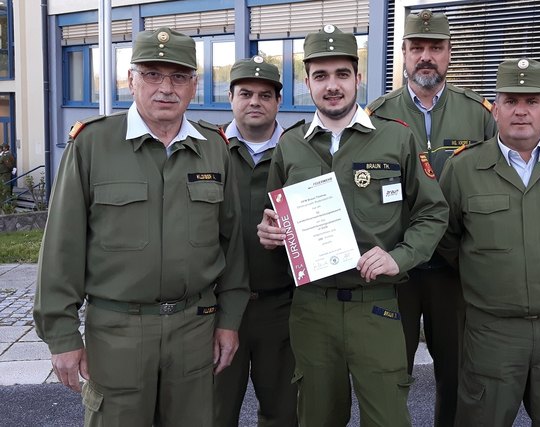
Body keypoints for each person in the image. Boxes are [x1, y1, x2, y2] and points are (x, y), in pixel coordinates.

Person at [33, 27, 250, 426]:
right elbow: (61, 248)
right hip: (117, 333)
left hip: (194, 328)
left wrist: (230, 321)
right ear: (130, 79)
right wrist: (62, 335)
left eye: (179, 76)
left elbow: (232, 245)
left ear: (194, 85)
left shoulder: (214, 148)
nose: (166, 88)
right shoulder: (93, 145)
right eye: (152, 74)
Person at [257, 24, 449, 427]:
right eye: (321, 76)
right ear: (306, 82)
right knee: (317, 417)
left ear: (358, 78)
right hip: (312, 310)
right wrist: (270, 234)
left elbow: (433, 212)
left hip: (375, 307)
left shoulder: (396, 139)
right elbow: (274, 216)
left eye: (342, 74)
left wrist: (400, 257)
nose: (332, 86)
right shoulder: (291, 146)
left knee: (388, 419)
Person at [438, 58, 540, 426]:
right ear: (496, 109)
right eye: (511, 101)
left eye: (531, 101)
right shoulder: (463, 168)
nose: (521, 111)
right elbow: (448, 239)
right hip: (491, 332)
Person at [366, 10, 497, 426]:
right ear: (403, 54)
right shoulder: (377, 114)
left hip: (454, 272)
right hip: (395, 270)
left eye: (435, 48)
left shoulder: (479, 114)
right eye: (417, 48)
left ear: (449, 55)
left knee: (457, 376)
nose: (426, 56)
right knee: (390, 374)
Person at [213, 56, 297, 427]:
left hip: (279, 306)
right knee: (213, 412)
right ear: (230, 98)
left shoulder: (302, 151)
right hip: (215, 310)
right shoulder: (206, 149)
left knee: (283, 413)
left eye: (265, 94)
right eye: (245, 93)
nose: (255, 102)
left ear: (279, 102)